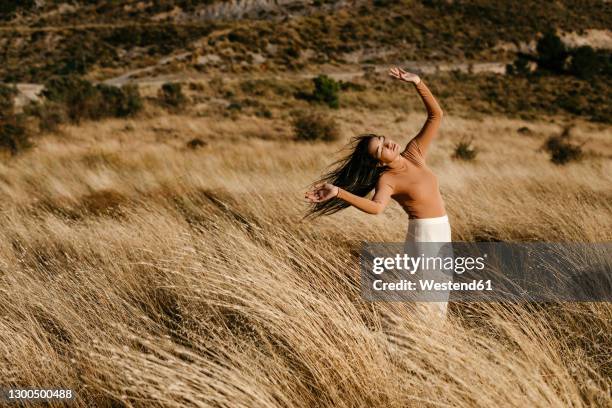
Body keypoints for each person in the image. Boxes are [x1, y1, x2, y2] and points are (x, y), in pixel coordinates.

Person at [304, 66, 452, 320]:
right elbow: (376, 208)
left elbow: (436, 116)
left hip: (441, 229)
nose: (388, 144)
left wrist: (417, 81)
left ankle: (422, 344)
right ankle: (416, 345)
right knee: (427, 298)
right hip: (425, 235)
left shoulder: (414, 153)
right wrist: (339, 192)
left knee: (439, 291)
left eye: (383, 139)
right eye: (380, 148)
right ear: (378, 162)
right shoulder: (387, 179)